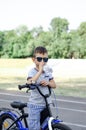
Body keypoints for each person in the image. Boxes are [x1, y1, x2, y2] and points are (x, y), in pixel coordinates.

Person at [27, 46, 56, 130]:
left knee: (45, 126)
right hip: (35, 105)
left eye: (45, 59)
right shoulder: (32, 71)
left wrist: (48, 83)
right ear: (33, 59)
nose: (42, 62)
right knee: (34, 128)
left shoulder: (47, 71)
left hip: (46, 104)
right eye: (39, 59)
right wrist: (39, 71)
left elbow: (54, 85)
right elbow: (30, 82)